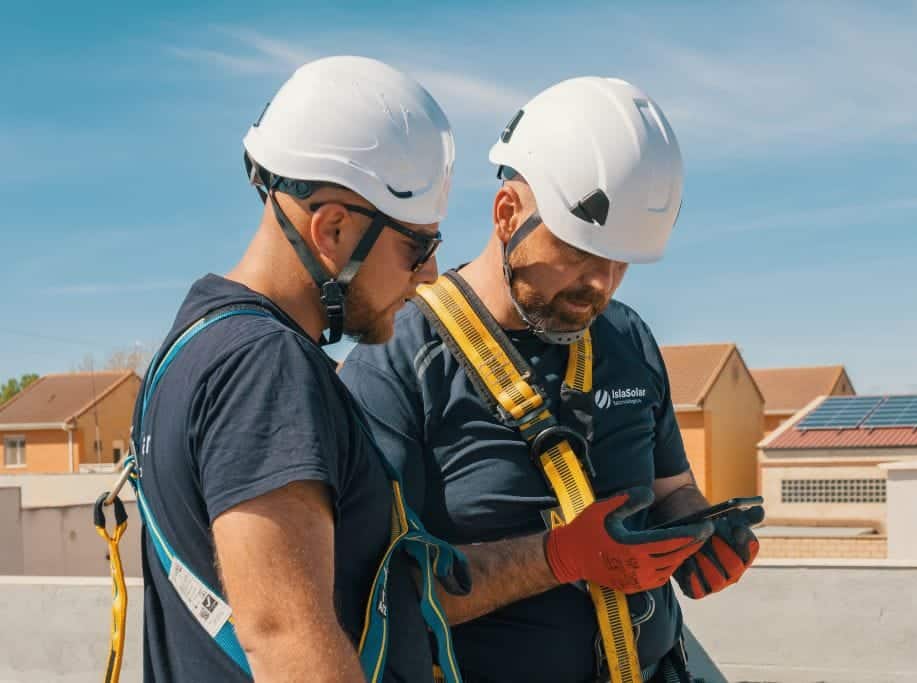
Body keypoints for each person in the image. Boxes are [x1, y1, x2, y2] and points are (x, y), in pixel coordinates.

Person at [341, 76, 764, 683]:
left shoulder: (627, 339)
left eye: (621, 262)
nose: (603, 284)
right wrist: (559, 557)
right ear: (508, 213)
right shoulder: (398, 359)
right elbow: (375, 592)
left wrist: (700, 536)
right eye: (581, 253)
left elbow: (674, 491)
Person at [132, 56, 468, 682]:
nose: (429, 277)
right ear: (334, 229)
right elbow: (286, 639)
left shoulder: (194, 346)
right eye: (417, 248)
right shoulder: (265, 368)